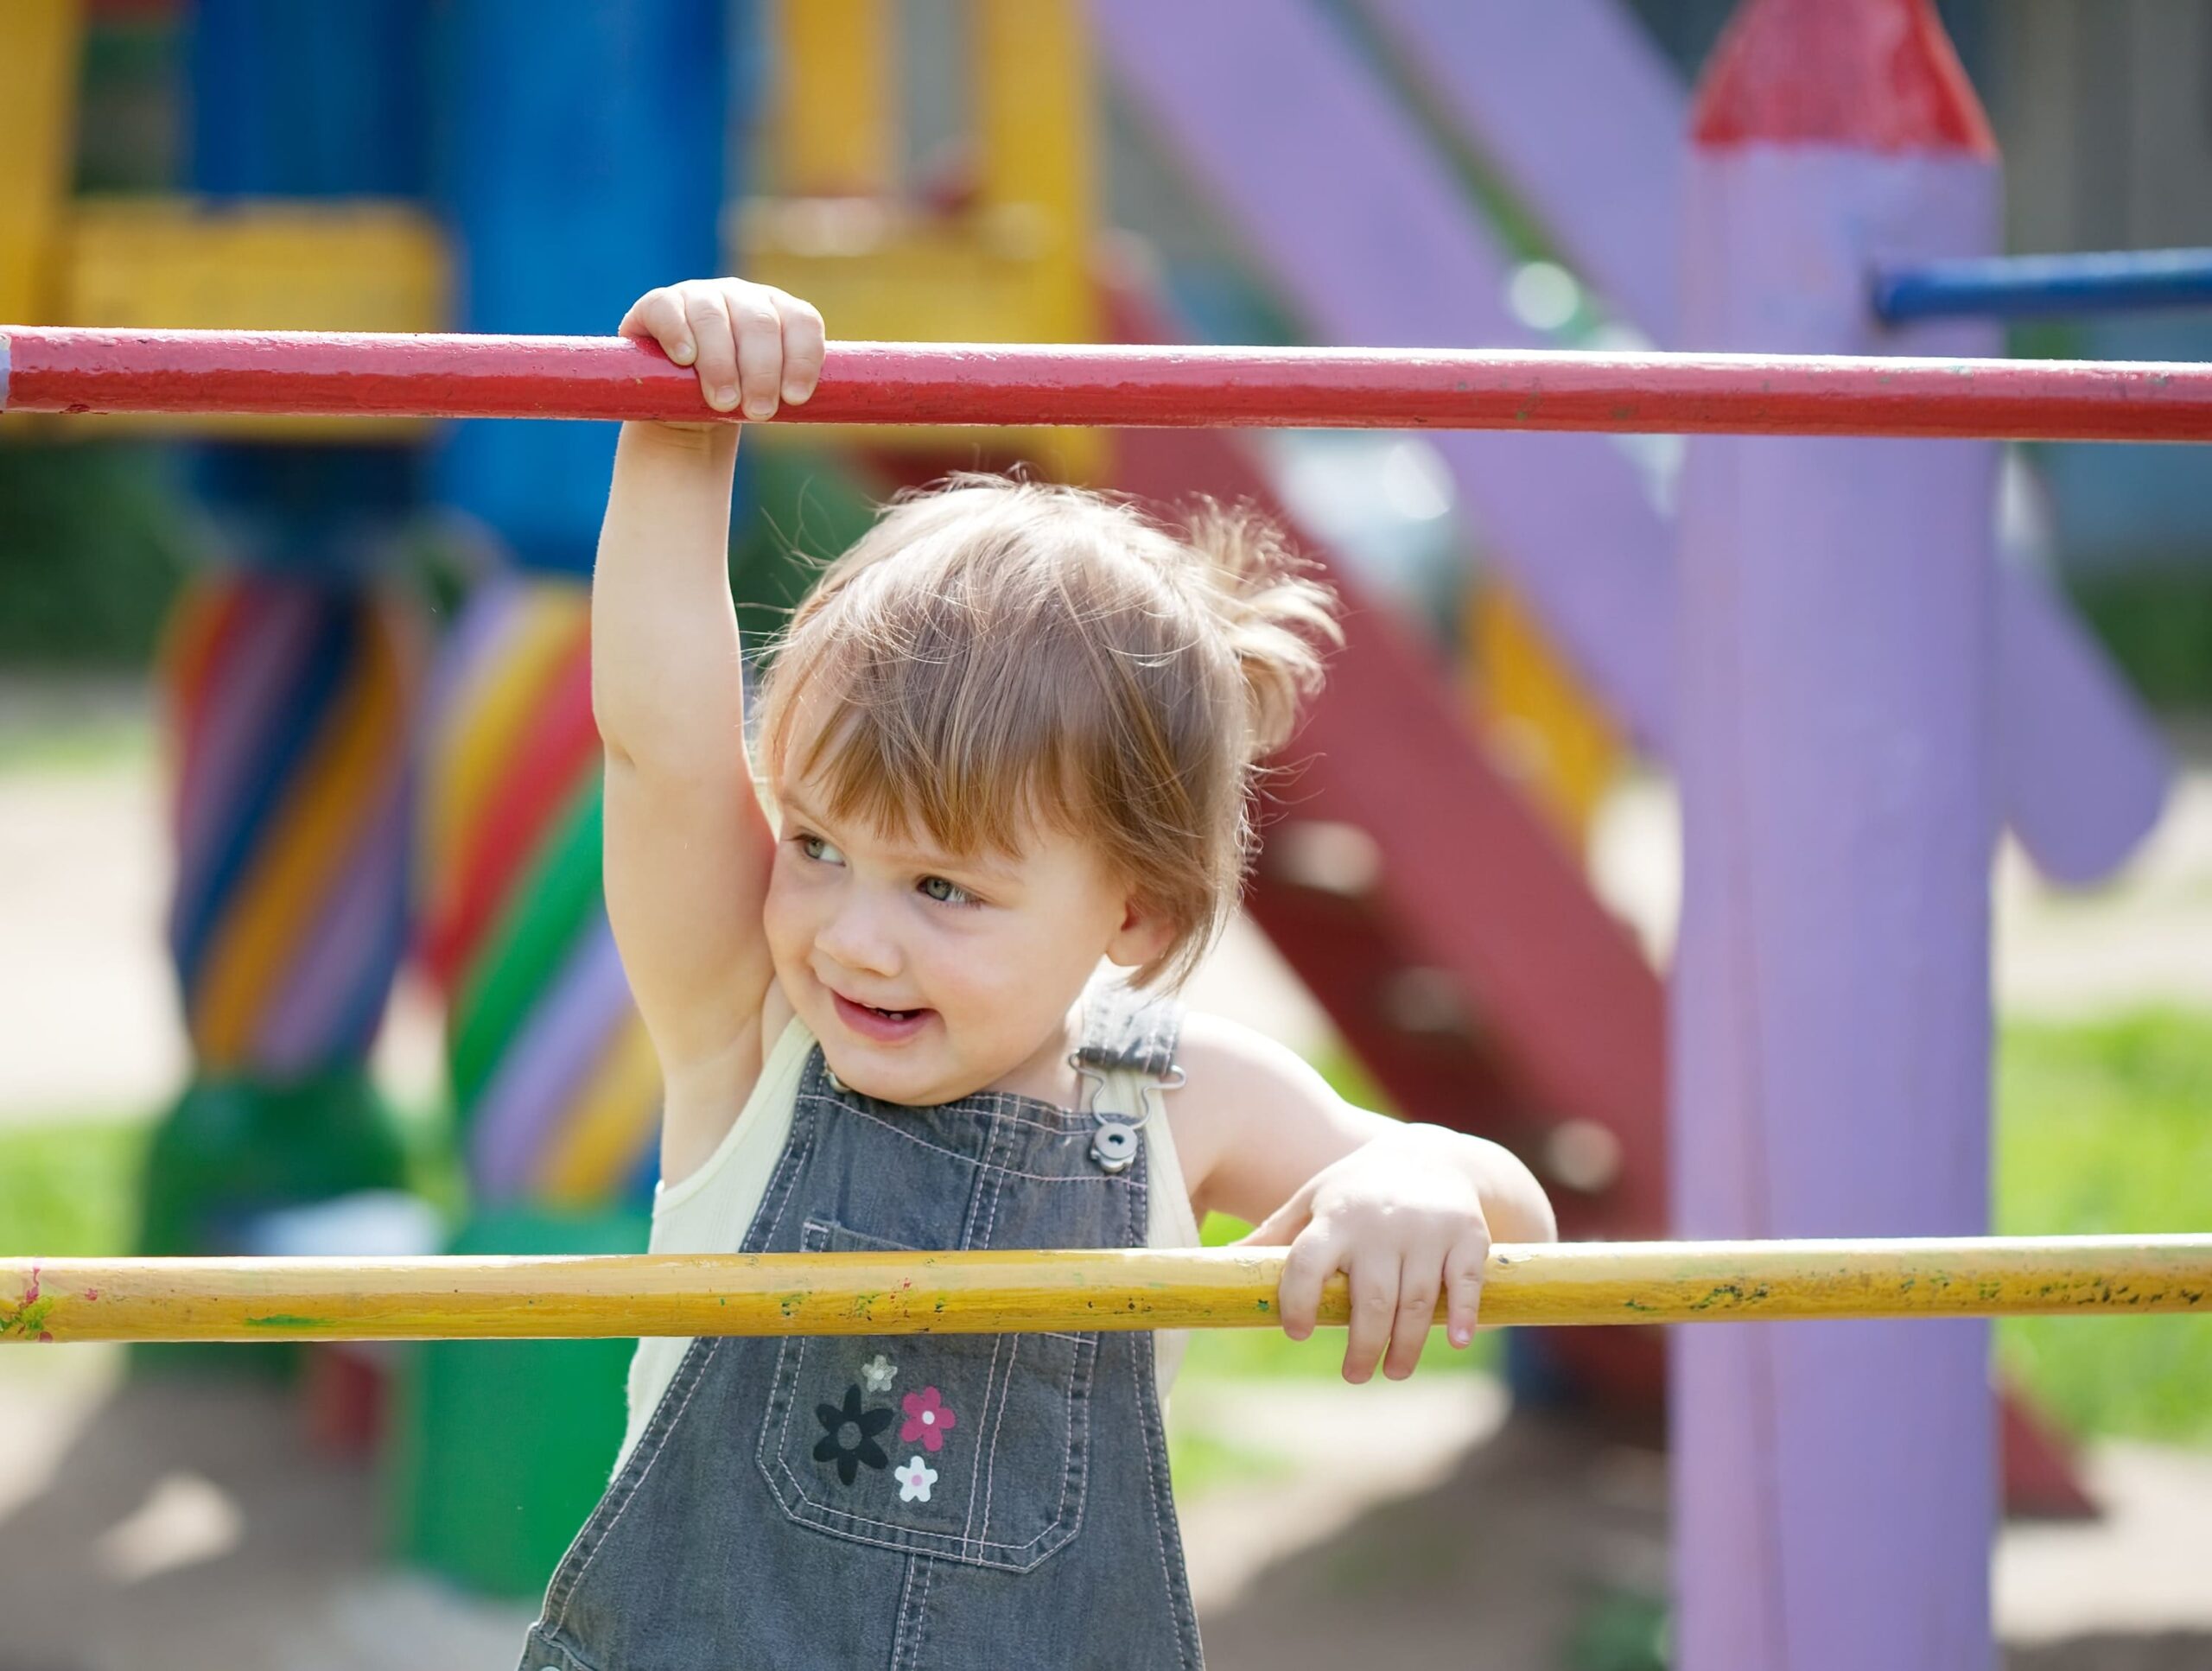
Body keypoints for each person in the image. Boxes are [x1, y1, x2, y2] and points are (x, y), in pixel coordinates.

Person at [517, 277, 1558, 1670]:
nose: (856, 935)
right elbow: (661, 744)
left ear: (1131, 911)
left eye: (945, 887)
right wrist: (686, 430)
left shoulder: (1187, 1096)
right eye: (818, 844)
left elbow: (1525, 1224)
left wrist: (1418, 1179)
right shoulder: (749, 1036)